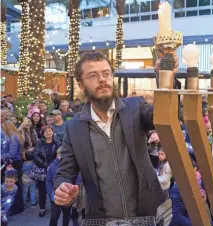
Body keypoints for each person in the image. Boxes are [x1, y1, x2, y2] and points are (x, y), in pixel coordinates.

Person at [54, 51, 179, 221]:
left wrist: (165, 79)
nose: (102, 79)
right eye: (93, 75)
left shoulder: (136, 107)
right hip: (104, 219)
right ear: (81, 85)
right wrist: (62, 188)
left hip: (149, 215)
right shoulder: (75, 127)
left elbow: (167, 117)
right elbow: (64, 173)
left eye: (106, 73)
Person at [34, 126, 61, 217]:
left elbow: (60, 153)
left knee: (54, 187)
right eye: (46, 132)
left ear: (52, 132)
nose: (48, 133)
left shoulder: (57, 141)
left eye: (50, 131)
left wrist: (52, 165)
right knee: (42, 189)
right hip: (43, 169)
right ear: (43, 134)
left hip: (54, 168)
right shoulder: (40, 142)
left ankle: (54, 204)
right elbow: (36, 155)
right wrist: (45, 165)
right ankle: (42, 208)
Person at [1, 120, 24, 215]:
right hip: (15, 162)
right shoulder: (14, 135)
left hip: (15, 163)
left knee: (15, 185)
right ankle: (17, 206)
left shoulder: (13, 137)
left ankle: (18, 207)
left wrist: (1, 156)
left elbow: (12, 153)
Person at [46, 147, 71, 226]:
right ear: (57, 155)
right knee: (54, 216)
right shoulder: (52, 166)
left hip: (67, 195)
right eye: (59, 155)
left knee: (67, 215)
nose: (61, 157)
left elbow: (77, 179)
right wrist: (50, 193)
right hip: (55, 196)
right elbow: (48, 181)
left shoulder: (71, 166)